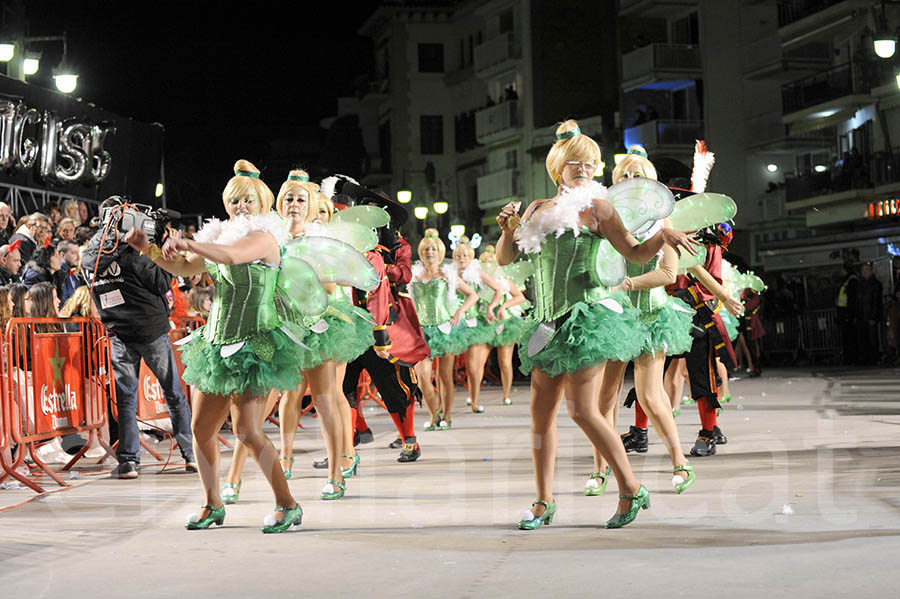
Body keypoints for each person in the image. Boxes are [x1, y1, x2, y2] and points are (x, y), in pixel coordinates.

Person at [495, 119, 696, 530]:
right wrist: (506, 231)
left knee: (584, 410)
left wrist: (665, 238)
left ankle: (630, 487)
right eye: (575, 163)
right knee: (540, 416)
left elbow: (637, 254)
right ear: (558, 167)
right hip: (544, 323)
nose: (584, 170)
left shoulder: (600, 207)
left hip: (586, 318)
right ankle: (542, 502)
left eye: (590, 163)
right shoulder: (536, 209)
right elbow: (505, 259)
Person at [124, 160, 306, 532]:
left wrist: (190, 241)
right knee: (201, 430)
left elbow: (234, 257)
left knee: (247, 432)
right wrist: (150, 250)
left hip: (256, 344)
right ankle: (212, 504)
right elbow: (185, 268)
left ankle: (288, 505)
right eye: (234, 200)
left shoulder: (265, 237)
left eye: (248, 200)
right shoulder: (221, 236)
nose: (241, 206)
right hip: (217, 342)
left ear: (262, 202)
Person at [591, 145, 697, 496]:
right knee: (603, 400)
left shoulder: (663, 222)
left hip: (651, 316)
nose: (631, 180)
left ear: (651, 182)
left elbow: (668, 273)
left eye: (639, 175)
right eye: (625, 175)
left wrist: (630, 283)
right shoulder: (606, 223)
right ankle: (600, 470)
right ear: (615, 182)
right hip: (615, 318)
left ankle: (680, 461)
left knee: (651, 396)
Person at [81, 197, 196, 480]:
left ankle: (129, 461)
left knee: (127, 399)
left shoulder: (89, 255)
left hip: (119, 333)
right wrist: (154, 250)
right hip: (150, 331)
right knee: (173, 393)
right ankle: (190, 454)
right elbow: (161, 282)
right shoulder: (133, 252)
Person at [336, 178, 430, 462]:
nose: (369, 211)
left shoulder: (397, 245)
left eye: (375, 207)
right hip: (349, 322)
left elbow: (405, 274)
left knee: (393, 382)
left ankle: (409, 439)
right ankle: (349, 440)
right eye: (365, 205)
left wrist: (380, 268)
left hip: (388, 317)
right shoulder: (346, 245)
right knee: (342, 386)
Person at [410, 229, 479, 431]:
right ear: (421, 252)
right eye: (426, 249)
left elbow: (472, 295)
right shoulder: (413, 276)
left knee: (444, 376)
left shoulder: (447, 274)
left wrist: (459, 312)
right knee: (422, 378)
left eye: (433, 248)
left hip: (445, 329)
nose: (430, 252)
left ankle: (446, 417)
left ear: (439, 252)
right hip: (421, 330)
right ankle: (433, 414)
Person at [450, 237, 504, 414]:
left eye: (465, 255)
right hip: (452, 323)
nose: (462, 257)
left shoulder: (477, 272)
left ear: (471, 256)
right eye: (458, 255)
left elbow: (499, 289)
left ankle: (474, 401)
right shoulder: (448, 273)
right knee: (452, 367)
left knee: (473, 367)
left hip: (474, 322)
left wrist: (491, 307)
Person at [478, 246, 528, 406]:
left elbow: (520, 297)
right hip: (486, 323)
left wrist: (504, 306)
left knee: (505, 362)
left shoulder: (505, 280)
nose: (488, 264)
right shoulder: (479, 281)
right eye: (484, 262)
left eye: (490, 262)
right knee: (479, 361)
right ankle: (474, 395)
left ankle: (506, 394)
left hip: (505, 323)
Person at [858, 262, 883, 365]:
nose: (865, 272)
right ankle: (866, 358)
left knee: (872, 338)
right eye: (863, 270)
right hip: (863, 315)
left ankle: (874, 358)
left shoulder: (875, 284)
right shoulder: (862, 284)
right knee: (864, 338)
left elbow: (876, 301)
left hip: (870, 315)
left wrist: (873, 316)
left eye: (867, 270)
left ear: (871, 271)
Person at [57, 240, 84, 307]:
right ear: (62, 255)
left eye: (78, 252)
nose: (78, 257)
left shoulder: (75, 274)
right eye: (73, 253)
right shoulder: (58, 275)